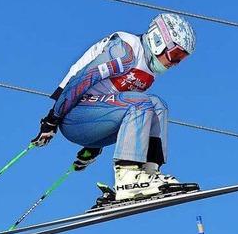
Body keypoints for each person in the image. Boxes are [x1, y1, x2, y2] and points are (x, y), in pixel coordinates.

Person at [31, 13, 197, 204]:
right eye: (176, 54)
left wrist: (93, 146)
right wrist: (52, 119)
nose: (175, 63)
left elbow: (117, 107)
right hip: (73, 114)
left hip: (94, 118)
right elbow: (83, 79)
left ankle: (149, 174)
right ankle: (128, 178)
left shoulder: (148, 71)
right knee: (141, 102)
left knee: (158, 106)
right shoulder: (126, 51)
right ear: (158, 40)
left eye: (181, 59)